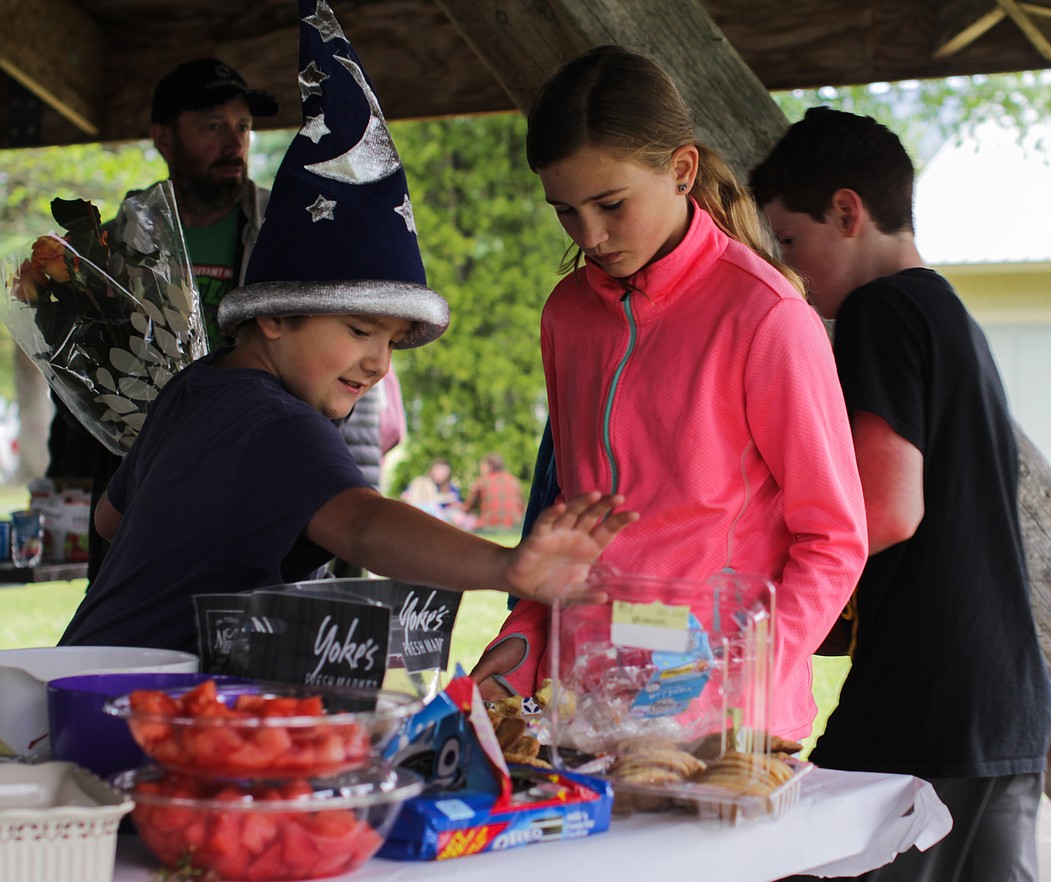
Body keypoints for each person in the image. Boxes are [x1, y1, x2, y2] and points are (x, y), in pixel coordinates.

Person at [57, 0, 635, 655]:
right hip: (137, 700)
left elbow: (110, 519)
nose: (379, 363)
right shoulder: (278, 423)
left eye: (391, 341)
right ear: (273, 313)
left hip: (71, 670)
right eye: (361, 330)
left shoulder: (194, 388)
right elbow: (363, 525)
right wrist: (504, 567)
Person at [470, 46, 868, 744]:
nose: (589, 236)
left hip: (723, 727)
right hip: (581, 711)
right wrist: (526, 635)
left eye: (611, 204)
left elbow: (833, 541)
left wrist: (741, 684)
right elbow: (571, 519)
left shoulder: (767, 315)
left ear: (681, 170)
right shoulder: (566, 314)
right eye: (565, 212)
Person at [749, 107, 1051, 881]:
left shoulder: (879, 311)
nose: (792, 271)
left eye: (789, 241)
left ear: (848, 212)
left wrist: (755, 590)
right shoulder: (950, 315)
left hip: (925, 695)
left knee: (798, 858)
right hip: (1006, 699)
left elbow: (884, 510)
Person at [46, 57, 280, 581]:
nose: (234, 142)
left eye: (243, 127)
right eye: (213, 127)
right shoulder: (107, 248)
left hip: (252, 468)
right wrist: (65, 478)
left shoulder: (283, 235)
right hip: (137, 481)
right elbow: (75, 374)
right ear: (164, 138)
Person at [462, 452, 525, 532]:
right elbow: (522, 507)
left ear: (490, 466)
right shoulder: (514, 481)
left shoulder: (482, 481)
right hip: (513, 526)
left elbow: (468, 507)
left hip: (487, 526)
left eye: (482, 466)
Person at [401, 457, 464, 523]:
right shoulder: (423, 482)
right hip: (423, 513)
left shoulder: (451, 487)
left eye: (444, 472)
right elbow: (407, 495)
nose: (441, 474)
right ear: (432, 470)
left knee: (457, 516)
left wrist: (454, 503)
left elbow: (458, 503)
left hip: (442, 514)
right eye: (439, 471)